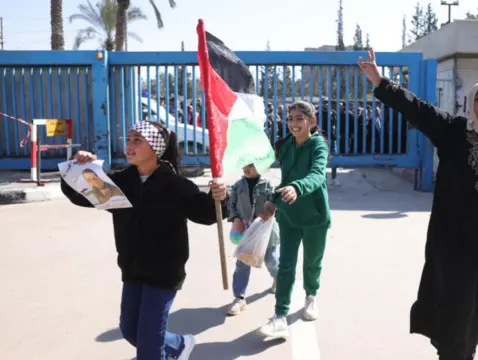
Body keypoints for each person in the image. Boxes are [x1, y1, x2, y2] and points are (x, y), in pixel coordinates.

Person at [358, 49, 478, 360]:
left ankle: (462, 352)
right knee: (456, 312)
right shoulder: (453, 131)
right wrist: (380, 81)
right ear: (470, 104)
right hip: (454, 244)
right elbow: (418, 110)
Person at [60, 120, 228, 360]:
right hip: (132, 268)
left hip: (164, 273)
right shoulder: (120, 183)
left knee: (149, 347)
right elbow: (83, 196)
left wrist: (218, 197)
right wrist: (77, 167)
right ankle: (179, 344)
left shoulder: (176, 185)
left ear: (156, 148)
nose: (130, 145)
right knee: (131, 331)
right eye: (129, 139)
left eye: (138, 140)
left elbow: (207, 213)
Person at [257, 100, 331, 338]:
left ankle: (311, 296)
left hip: (315, 216)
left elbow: (317, 174)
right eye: (290, 118)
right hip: (289, 215)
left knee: (312, 262)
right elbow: (283, 179)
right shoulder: (285, 146)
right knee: (286, 265)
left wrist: (297, 188)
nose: (294, 123)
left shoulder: (318, 145)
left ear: (312, 121)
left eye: (300, 118)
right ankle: (279, 316)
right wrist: (272, 202)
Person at [226, 163, 280, 316]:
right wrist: (235, 218)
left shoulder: (268, 184)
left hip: (267, 230)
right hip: (247, 231)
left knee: (272, 260)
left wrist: (271, 210)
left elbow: (276, 202)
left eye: (251, 165)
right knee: (242, 263)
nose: (246, 169)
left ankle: (277, 278)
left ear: (260, 166)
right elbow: (232, 205)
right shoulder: (238, 185)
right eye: (244, 165)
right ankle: (239, 298)